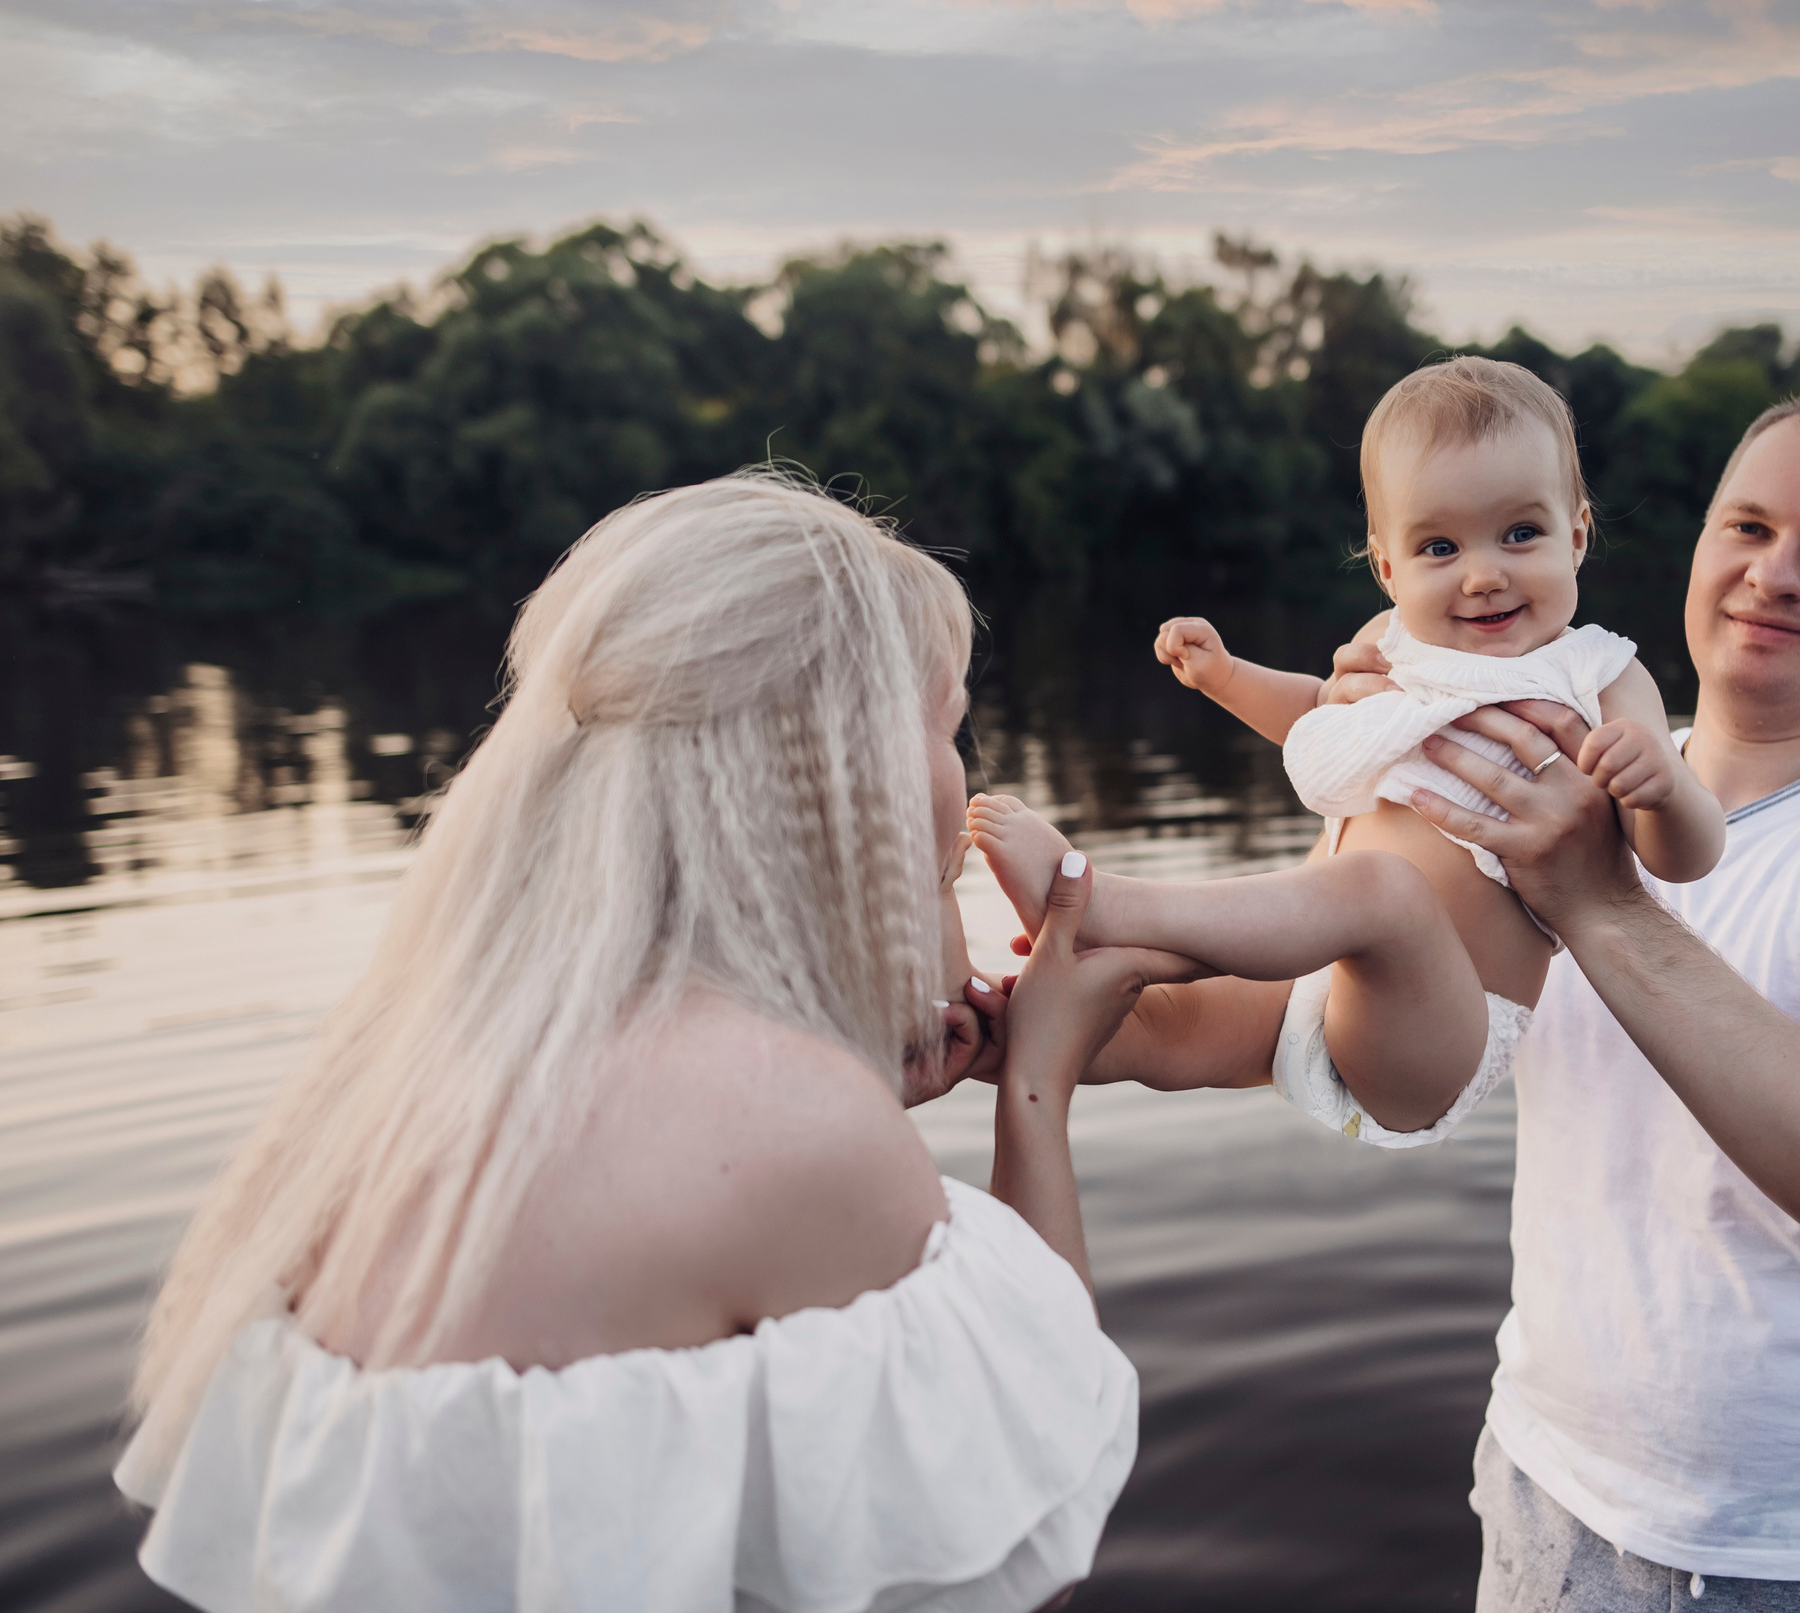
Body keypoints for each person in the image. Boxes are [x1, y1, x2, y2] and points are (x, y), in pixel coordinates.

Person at [114, 474, 1183, 1612]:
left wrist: (855, 1070)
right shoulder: (797, 1130)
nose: (964, 777)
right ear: (845, 760)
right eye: (948, 724)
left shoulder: (382, 1085)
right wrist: (1035, 1083)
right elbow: (1019, 1542)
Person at [1316, 388, 1800, 1609]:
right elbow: (1315, 1006)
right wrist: (1049, 1006)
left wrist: (1599, 903)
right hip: (1546, 1510)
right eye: (1748, 526)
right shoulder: (1543, 773)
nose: (1773, 574)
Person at [967, 358, 1722, 1148]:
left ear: (1577, 534)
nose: (1485, 574)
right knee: (1165, 1025)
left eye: (1521, 533)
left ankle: (1105, 904)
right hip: (1318, 978)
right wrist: (1226, 678)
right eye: (1439, 547)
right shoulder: (1388, 649)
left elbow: (1688, 855)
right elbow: (1318, 722)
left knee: (1380, 888)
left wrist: (1663, 787)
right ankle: (1000, 1023)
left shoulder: (1599, 672)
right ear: (1388, 566)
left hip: (1445, 1024)